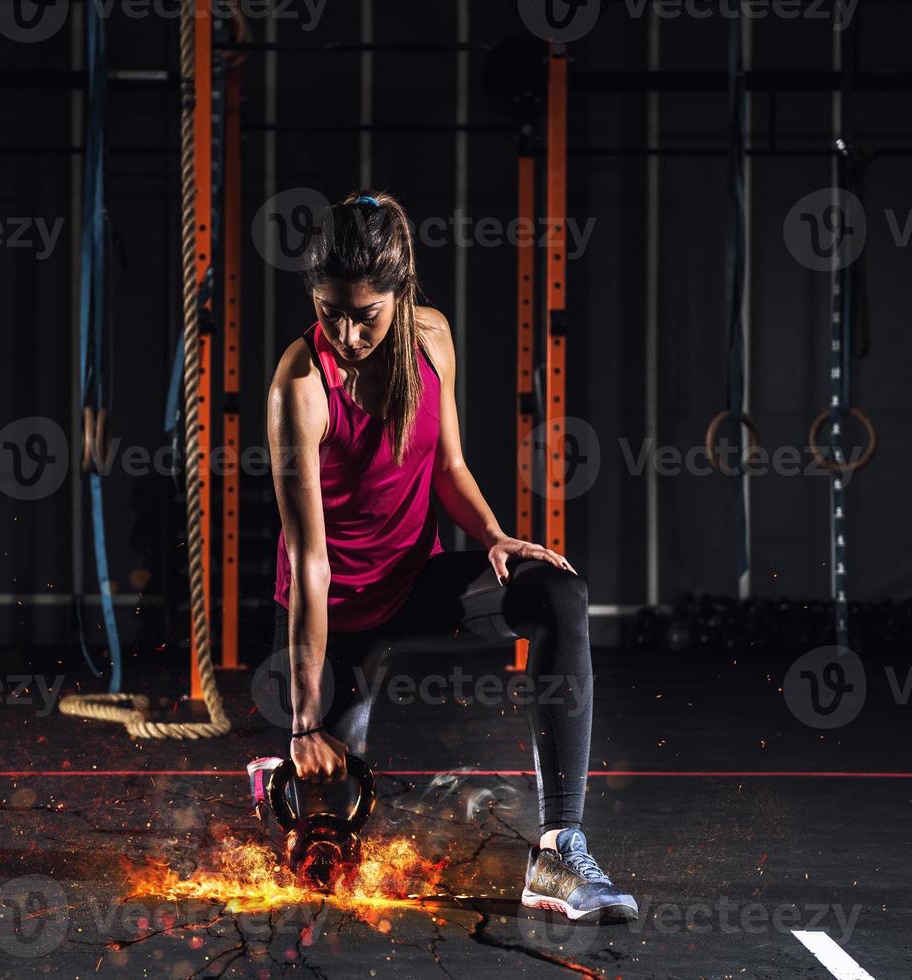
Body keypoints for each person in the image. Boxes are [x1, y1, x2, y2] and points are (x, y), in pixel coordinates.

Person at [264, 190, 636, 922]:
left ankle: (558, 851)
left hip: (412, 583)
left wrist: (495, 536)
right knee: (323, 864)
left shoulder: (432, 338)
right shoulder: (298, 388)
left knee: (559, 594)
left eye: (363, 314)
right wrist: (306, 722)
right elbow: (310, 562)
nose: (345, 332)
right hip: (334, 615)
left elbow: (449, 466)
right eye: (329, 311)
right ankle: (290, 769)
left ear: (400, 297)